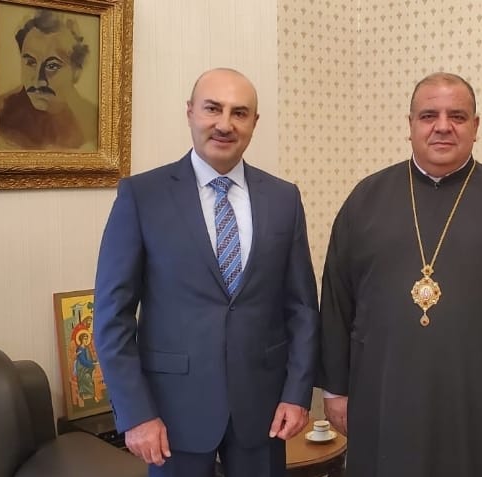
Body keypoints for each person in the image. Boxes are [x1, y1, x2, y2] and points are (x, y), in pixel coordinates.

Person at [318, 72, 482, 477]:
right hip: (384, 393)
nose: (443, 126)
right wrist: (335, 388)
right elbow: (337, 300)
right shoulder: (365, 200)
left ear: (475, 127)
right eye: (429, 116)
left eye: (457, 116)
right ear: (410, 124)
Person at [94, 68, 319, 477]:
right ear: (190, 112)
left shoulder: (284, 198)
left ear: (254, 122)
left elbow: (302, 308)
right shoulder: (142, 196)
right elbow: (112, 315)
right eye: (213, 109)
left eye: (239, 113)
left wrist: (297, 393)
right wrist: (135, 413)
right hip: (171, 414)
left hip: (263, 411)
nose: (225, 124)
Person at [0, 8, 98, 150]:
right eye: (30, 62)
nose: (38, 80)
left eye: (52, 66)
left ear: (76, 72)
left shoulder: (95, 125)